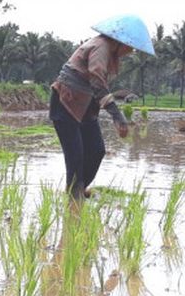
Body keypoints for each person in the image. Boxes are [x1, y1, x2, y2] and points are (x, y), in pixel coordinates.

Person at [50, 14, 155, 200]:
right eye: (130, 46)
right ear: (121, 41)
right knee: (75, 157)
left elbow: (97, 87)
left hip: (85, 107)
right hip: (66, 103)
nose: (130, 51)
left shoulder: (109, 52)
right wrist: (118, 116)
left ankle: (77, 190)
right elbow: (97, 81)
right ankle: (74, 202)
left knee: (97, 150)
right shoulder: (101, 46)